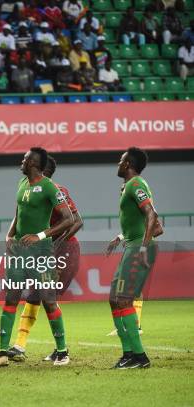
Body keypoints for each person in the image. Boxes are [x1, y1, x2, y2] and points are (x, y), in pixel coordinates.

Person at [0, 147, 74, 368]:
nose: (21, 161)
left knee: (49, 300)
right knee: (11, 299)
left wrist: (41, 235)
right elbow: (18, 212)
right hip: (19, 252)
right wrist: (9, 234)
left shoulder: (49, 187)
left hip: (41, 253)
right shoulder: (22, 184)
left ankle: (62, 352)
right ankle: (3, 354)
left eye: (25, 158)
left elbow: (69, 219)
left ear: (34, 163)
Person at [7, 156, 83, 363]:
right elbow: (19, 213)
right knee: (34, 294)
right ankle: (20, 345)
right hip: (42, 250)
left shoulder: (56, 190)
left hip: (64, 250)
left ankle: (60, 350)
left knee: (45, 297)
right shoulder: (28, 189)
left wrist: (58, 243)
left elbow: (77, 221)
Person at [105, 147, 162, 369]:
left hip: (138, 248)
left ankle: (139, 357)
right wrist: (121, 236)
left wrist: (142, 249)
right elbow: (156, 225)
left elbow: (152, 214)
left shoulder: (136, 184)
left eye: (120, 161)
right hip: (132, 245)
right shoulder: (129, 186)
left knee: (124, 300)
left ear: (128, 164)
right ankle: (128, 353)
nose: (118, 164)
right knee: (114, 298)